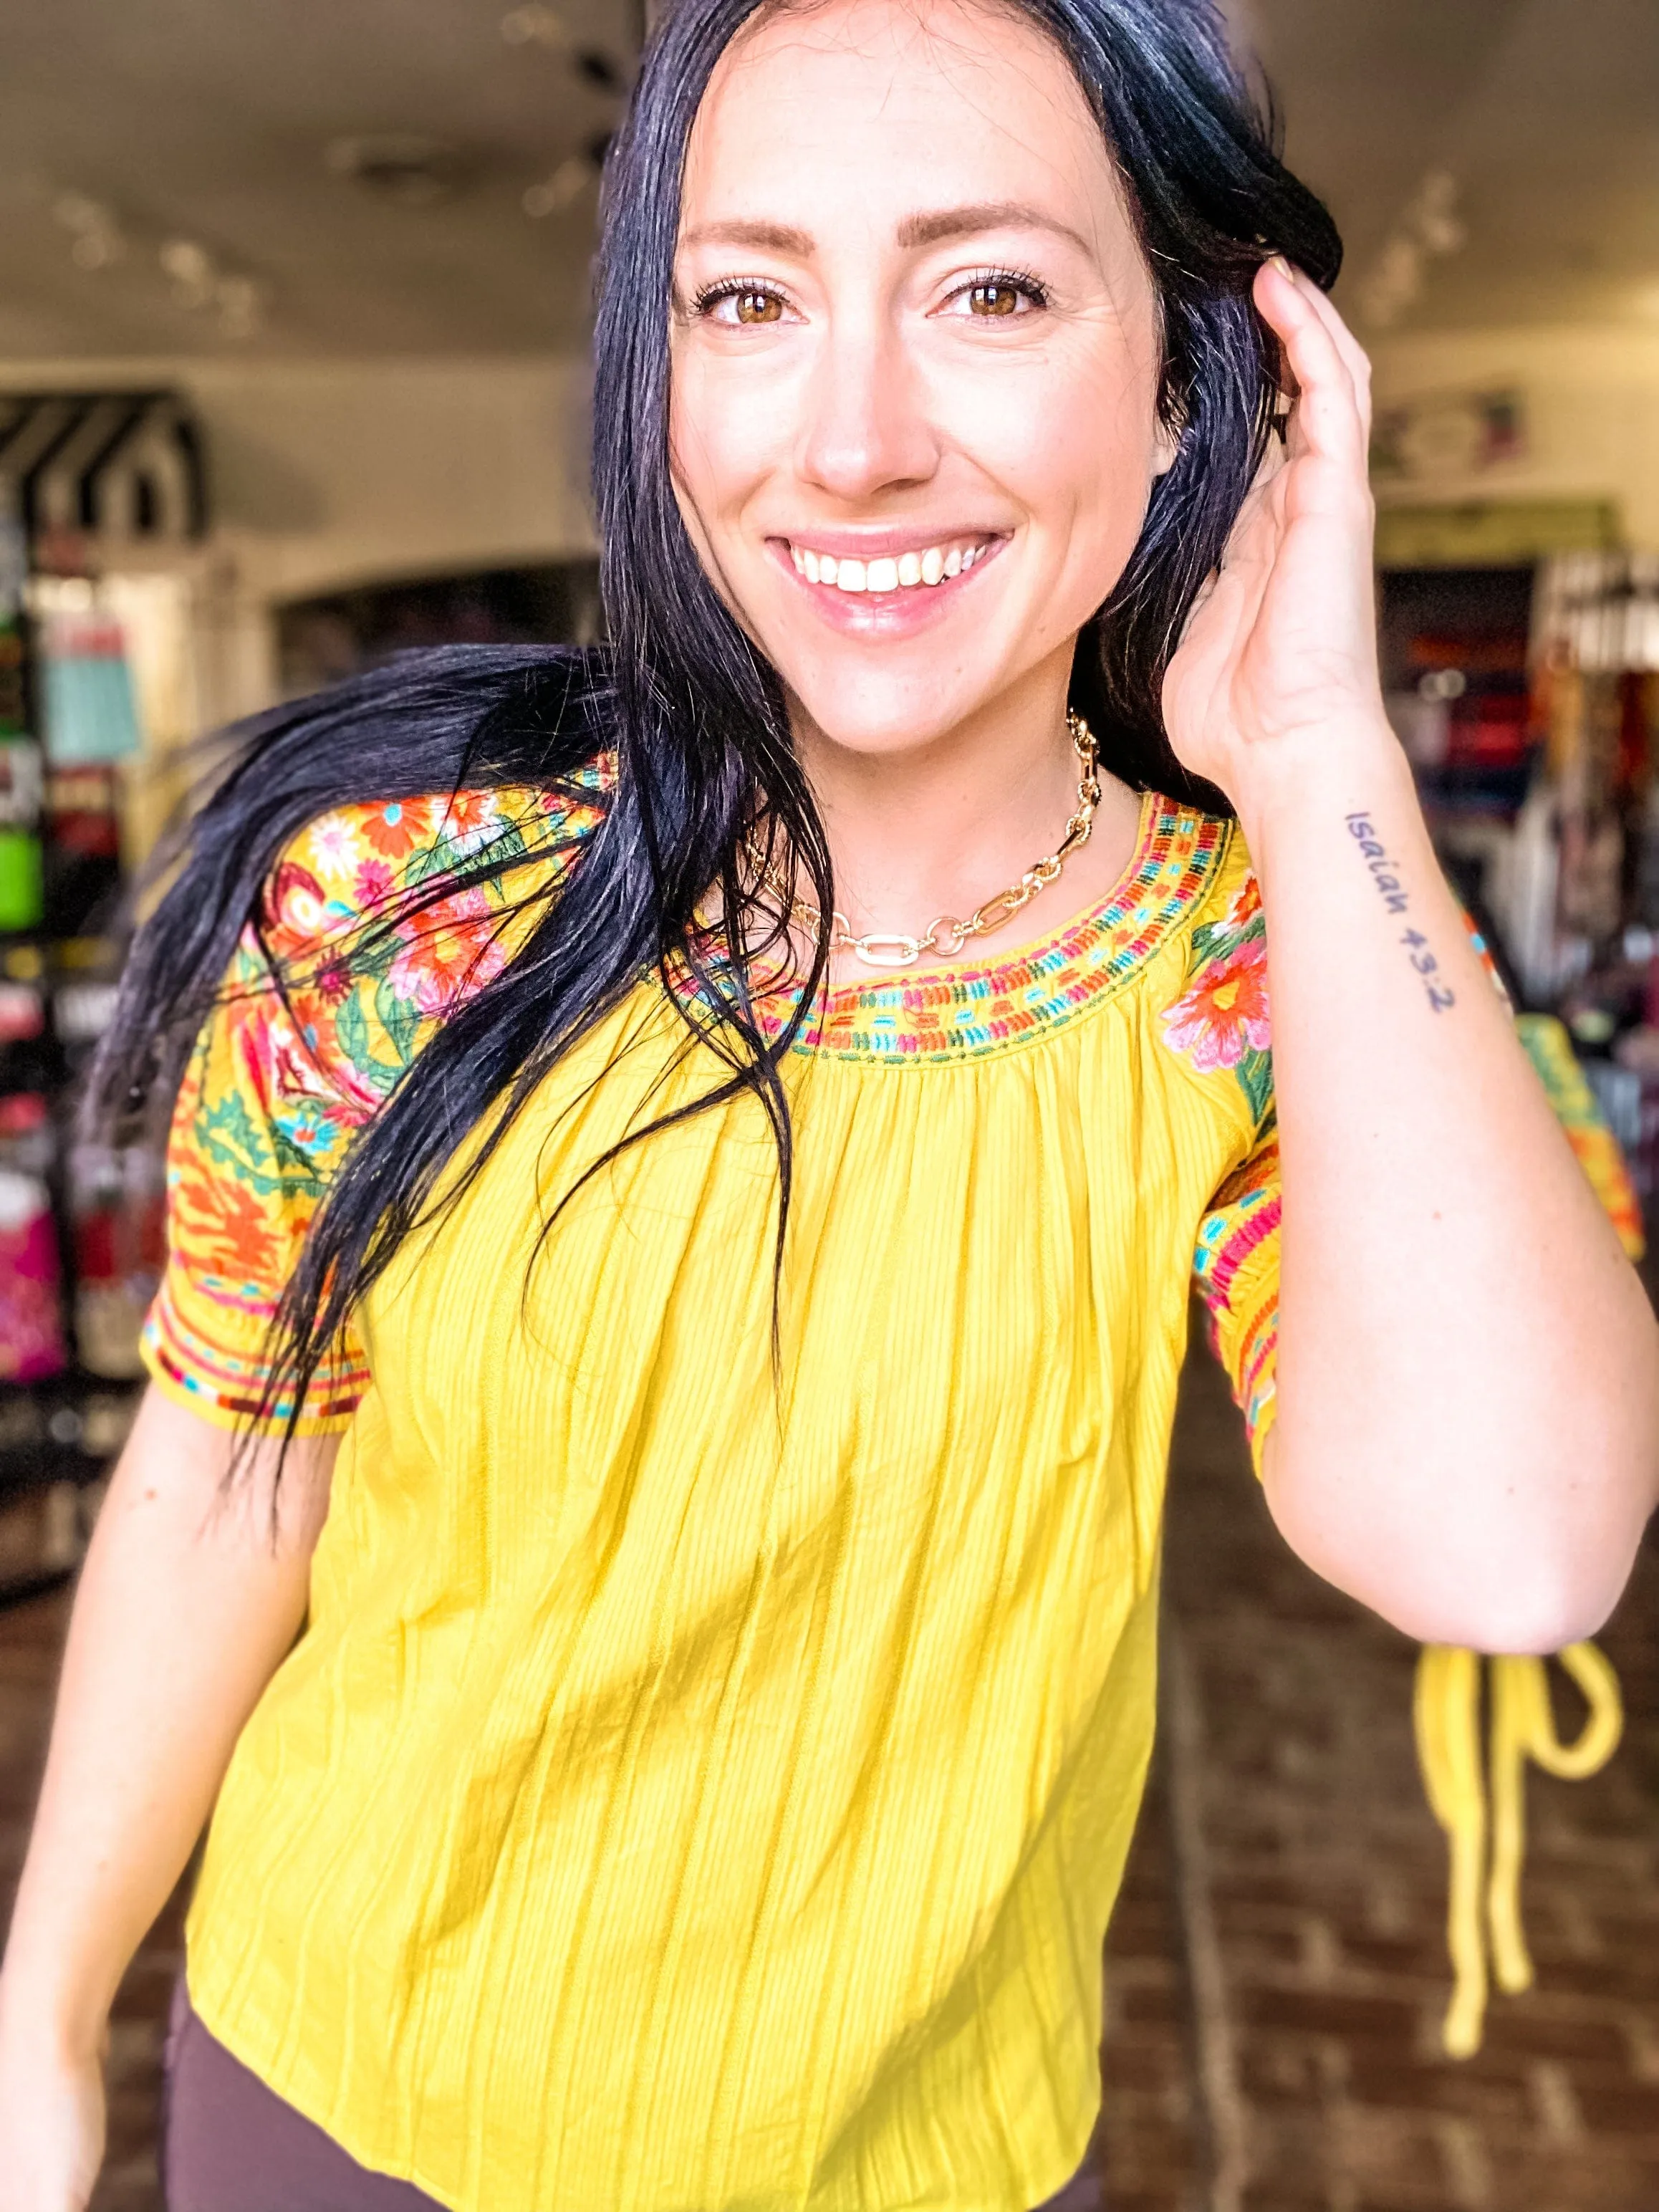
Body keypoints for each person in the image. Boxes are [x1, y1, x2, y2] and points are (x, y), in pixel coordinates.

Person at [4, 0, 1657, 2204]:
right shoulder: (412, 903)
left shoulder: (1266, 971)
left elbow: (1510, 1543)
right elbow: (227, 1460)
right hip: (332, 2104)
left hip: (929, 2162)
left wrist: (1321, 754)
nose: (852, 439)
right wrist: (42, 2012)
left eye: (986, 290)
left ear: (1193, 381)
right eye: (748, 299)